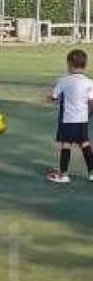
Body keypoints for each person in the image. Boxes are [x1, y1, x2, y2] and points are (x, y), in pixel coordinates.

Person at [46, 48, 93, 184]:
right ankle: (91, 172)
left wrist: (48, 97)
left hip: (67, 119)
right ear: (85, 64)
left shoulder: (63, 80)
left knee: (66, 144)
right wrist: (88, 115)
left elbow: (54, 97)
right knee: (85, 143)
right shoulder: (90, 83)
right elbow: (91, 102)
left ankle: (64, 174)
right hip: (82, 119)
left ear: (70, 64)